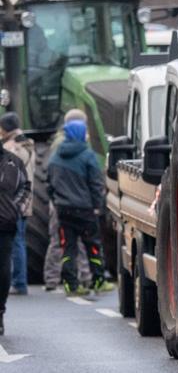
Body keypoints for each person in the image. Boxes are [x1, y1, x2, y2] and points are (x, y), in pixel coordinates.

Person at [47, 119, 113, 296]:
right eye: (84, 132)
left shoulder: (55, 157)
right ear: (79, 134)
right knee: (92, 246)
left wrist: (57, 201)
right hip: (85, 211)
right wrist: (97, 207)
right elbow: (96, 184)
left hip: (63, 211)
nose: (87, 135)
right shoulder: (87, 155)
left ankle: (71, 285)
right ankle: (98, 281)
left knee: (67, 248)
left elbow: (49, 186)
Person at [43, 109, 91, 291]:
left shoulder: (58, 143)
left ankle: (52, 278)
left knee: (58, 239)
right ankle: (84, 276)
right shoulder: (78, 143)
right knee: (78, 239)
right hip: (72, 200)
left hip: (59, 200)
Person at [0, 113, 35, 296]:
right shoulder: (27, 143)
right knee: (18, 241)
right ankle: (19, 280)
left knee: (14, 243)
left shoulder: (12, 148)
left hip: (11, 205)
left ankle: (19, 282)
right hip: (23, 201)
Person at [0, 141, 30, 334]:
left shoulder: (14, 162)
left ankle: (0, 310)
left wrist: (16, 208)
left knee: (2, 270)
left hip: (5, 224)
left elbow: (25, 188)